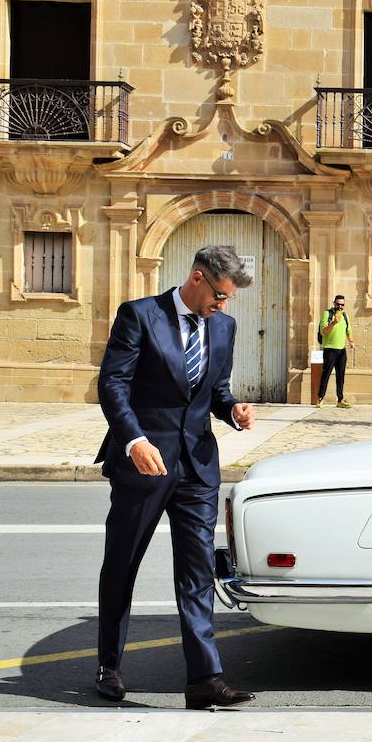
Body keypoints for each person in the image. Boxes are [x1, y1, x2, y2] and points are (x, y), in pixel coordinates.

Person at [94, 245, 257, 710]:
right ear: (198, 277)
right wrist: (133, 440)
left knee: (198, 571)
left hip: (198, 466)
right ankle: (109, 663)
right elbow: (113, 384)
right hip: (144, 461)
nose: (222, 307)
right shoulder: (140, 316)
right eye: (220, 296)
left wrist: (233, 410)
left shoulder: (223, 326)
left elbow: (216, 389)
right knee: (122, 563)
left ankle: (205, 678)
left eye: (227, 301)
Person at [315, 294, 355, 408]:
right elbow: (324, 331)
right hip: (330, 349)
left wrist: (351, 341)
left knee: (340, 376)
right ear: (334, 303)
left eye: (342, 305)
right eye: (338, 304)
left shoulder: (345, 315)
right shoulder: (327, 314)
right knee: (326, 374)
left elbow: (349, 330)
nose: (340, 307)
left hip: (341, 350)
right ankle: (320, 398)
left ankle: (340, 400)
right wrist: (333, 323)